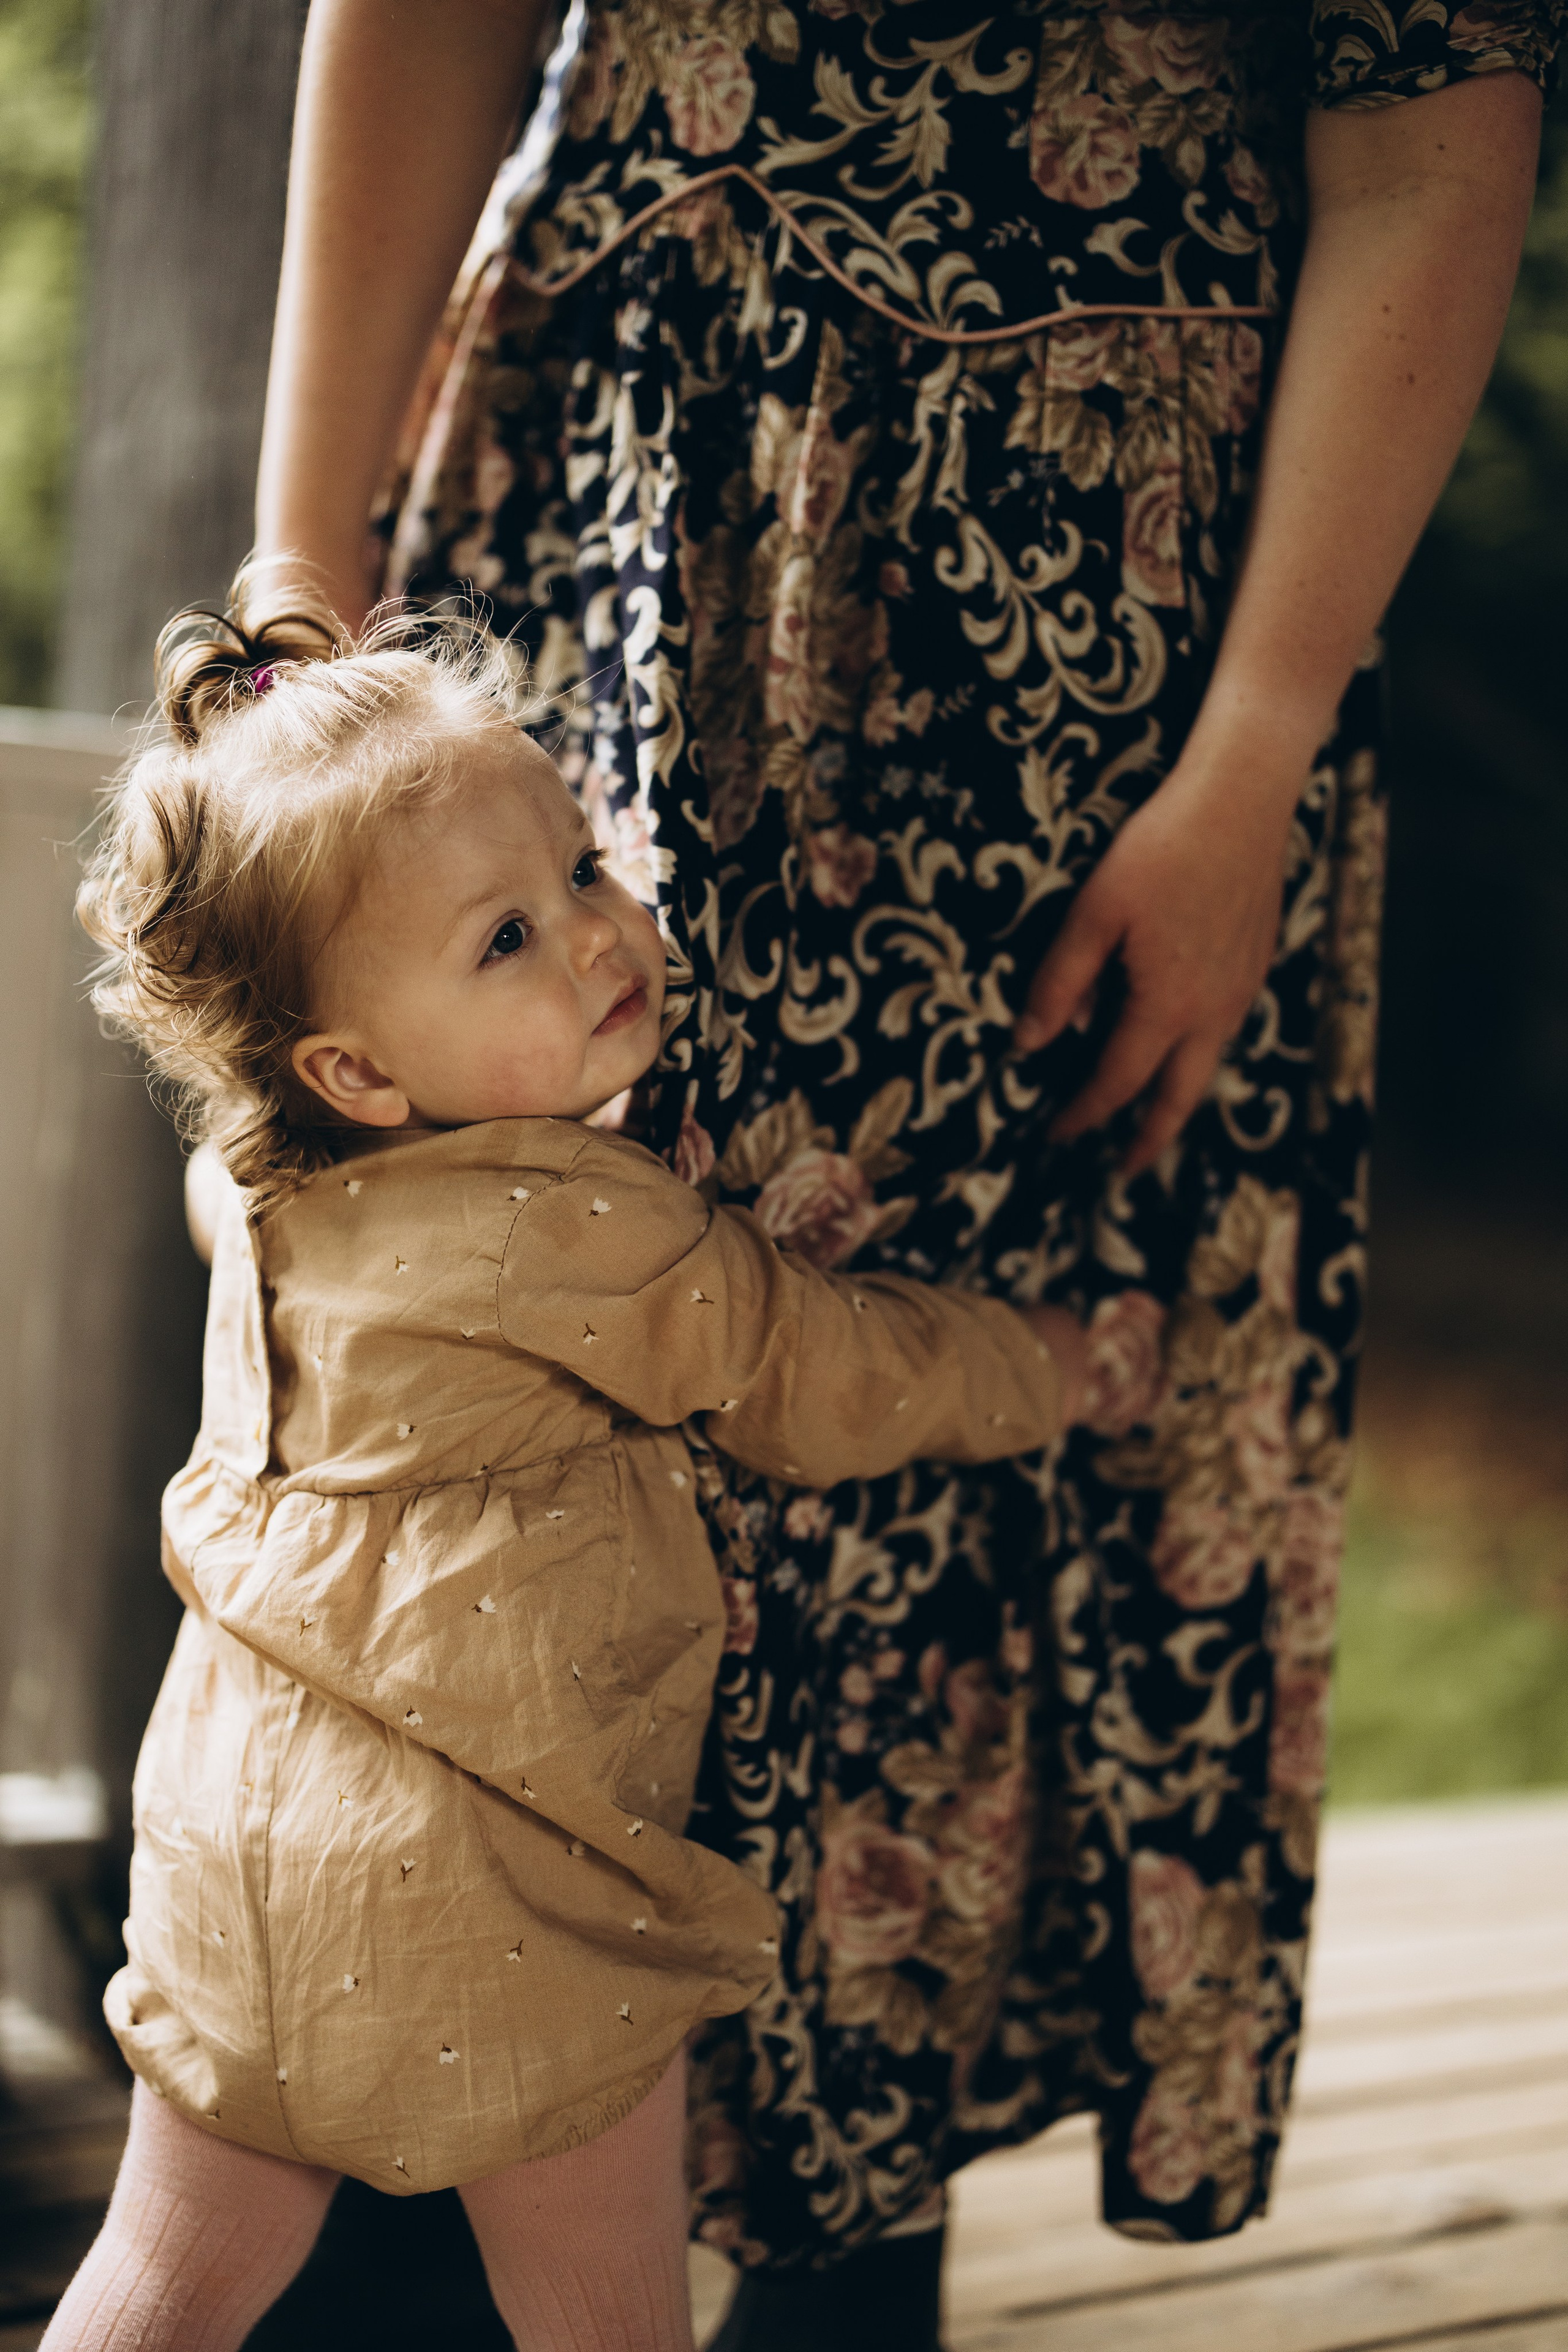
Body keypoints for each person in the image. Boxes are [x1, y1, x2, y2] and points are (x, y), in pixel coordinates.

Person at [252, 4, 1561, 2342]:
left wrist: (1252, 752)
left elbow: (1433, 143)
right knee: (470, 1415)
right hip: (598, 504)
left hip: (1082, 677)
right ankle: (393, 2223)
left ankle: (839, 2271)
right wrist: (294, 549)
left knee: (895, 1570)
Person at [43, 584, 1085, 2352]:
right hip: (501, 1902)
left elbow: (235, 1153)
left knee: (167, 2282)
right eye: (506, 942)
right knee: (606, 2320)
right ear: (359, 1068)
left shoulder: (260, 1190)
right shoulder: (575, 1224)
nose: (601, 938)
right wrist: (1042, 1367)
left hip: (227, 1859)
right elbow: (808, 1372)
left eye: (586, 874)